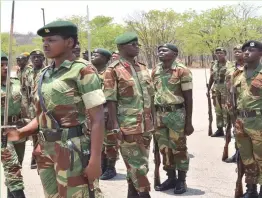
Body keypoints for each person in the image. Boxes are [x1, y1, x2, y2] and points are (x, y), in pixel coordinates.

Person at [5, 20, 105, 198]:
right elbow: (43, 115)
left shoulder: (82, 71)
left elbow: (97, 118)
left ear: (69, 42)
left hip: (72, 148)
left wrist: (96, 160)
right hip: (46, 150)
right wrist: (21, 133)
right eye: (44, 40)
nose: (45, 44)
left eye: (51, 40)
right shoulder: (44, 74)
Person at [103, 32, 154, 198]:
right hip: (128, 126)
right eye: (133, 44)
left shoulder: (143, 67)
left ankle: (132, 194)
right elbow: (110, 100)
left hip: (146, 125)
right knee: (138, 166)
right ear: (122, 47)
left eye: (137, 44)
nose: (137, 47)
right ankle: (145, 194)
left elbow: (150, 96)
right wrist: (115, 126)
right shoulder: (113, 70)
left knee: (139, 165)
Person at [151, 44, 194, 194]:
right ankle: (170, 177)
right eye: (159, 50)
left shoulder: (182, 70)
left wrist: (188, 122)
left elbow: (189, 98)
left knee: (179, 148)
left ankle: (181, 180)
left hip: (176, 114)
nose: (160, 52)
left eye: (164, 50)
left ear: (175, 53)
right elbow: (153, 94)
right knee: (164, 148)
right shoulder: (156, 70)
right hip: (159, 115)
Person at [233, 40, 262, 197]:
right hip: (241, 122)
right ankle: (251, 189)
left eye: (251, 50)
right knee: (246, 157)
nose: (246, 52)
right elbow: (233, 100)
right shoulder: (237, 74)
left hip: (259, 122)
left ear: (260, 54)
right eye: (244, 50)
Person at [91, 48, 119, 180]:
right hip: (93, 112)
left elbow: (111, 96)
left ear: (105, 59)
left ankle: (110, 167)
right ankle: (102, 164)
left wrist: (110, 117)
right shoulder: (90, 73)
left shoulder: (108, 73)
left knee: (110, 141)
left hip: (106, 111)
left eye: (97, 55)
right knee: (98, 141)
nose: (93, 56)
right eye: (93, 54)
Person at [1, 52, 26, 198]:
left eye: (6, 64)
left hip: (17, 127)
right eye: (1, 65)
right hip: (1, 130)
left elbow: (23, 103)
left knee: (18, 165)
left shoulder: (15, 82)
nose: (5, 68)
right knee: (12, 166)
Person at [224, 44, 245, 163]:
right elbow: (227, 86)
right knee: (235, 130)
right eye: (235, 51)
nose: (237, 53)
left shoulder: (250, 67)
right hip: (231, 104)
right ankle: (237, 153)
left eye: (240, 51)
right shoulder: (230, 67)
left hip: (245, 105)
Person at [207, 47, 233, 137]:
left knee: (226, 109)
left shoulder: (230, 65)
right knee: (218, 110)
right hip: (216, 88)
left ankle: (228, 128)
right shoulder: (214, 64)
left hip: (226, 89)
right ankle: (219, 129)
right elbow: (211, 77)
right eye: (217, 53)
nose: (219, 54)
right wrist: (208, 88)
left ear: (225, 54)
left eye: (221, 53)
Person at [28, 49, 46, 169]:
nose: (36, 59)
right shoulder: (29, 73)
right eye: (34, 57)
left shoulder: (47, 71)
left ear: (43, 59)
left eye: (39, 57)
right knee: (34, 133)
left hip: (43, 107)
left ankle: (42, 157)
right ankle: (35, 157)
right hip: (31, 108)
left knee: (43, 132)